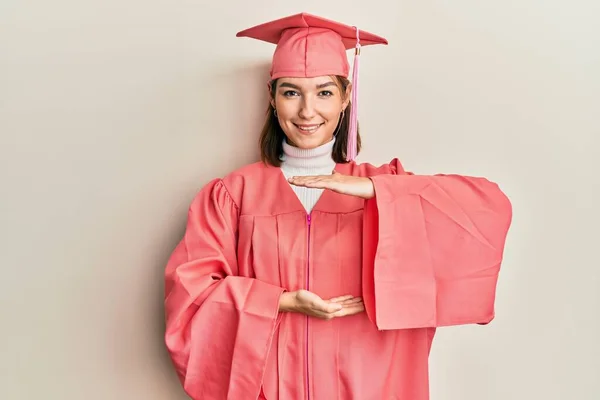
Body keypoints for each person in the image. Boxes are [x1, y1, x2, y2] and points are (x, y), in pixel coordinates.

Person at [163, 12, 512, 400]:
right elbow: (191, 295)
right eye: (291, 92)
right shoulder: (234, 195)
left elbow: (487, 209)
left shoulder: (387, 184)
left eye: (324, 92)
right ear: (273, 97)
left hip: (370, 384)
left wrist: (376, 192)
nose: (307, 111)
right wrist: (280, 301)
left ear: (346, 97)